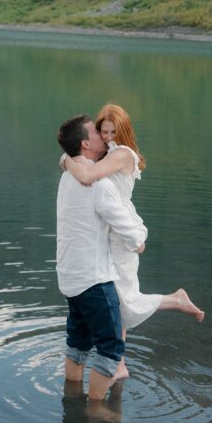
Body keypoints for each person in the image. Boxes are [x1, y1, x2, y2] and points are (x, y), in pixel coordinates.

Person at [63, 103, 204, 378]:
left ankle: (176, 300)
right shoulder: (107, 154)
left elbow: (88, 174)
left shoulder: (122, 154)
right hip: (108, 230)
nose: (107, 138)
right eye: (103, 132)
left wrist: (66, 159)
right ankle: (120, 365)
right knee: (117, 298)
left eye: (113, 132)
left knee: (123, 301)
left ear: (124, 130)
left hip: (122, 229)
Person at [56, 113, 147, 401]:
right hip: (95, 281)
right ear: (85, 144)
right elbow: (130, 233)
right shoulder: (100, 185)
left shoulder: (66, 177)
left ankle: (71, 399)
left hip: (69, 278)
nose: (103, 137)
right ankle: (96, 409)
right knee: (110, 348)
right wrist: (139, 240)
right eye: (96, 133)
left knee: (78, 342)